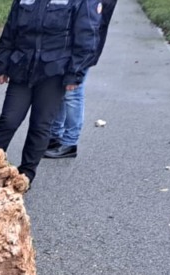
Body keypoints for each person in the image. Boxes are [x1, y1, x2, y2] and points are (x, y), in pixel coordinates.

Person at [0, 0, 99, 185]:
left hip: (54, 72)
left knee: (40, 126)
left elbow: (86, 36)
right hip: (22, 68)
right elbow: (10, 31)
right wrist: (1, 64)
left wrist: (75, 73)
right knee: (8, 120)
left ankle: (26, 175)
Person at [45, 0, 117, 159]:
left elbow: (91, 28)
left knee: (73, 93)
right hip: (68, 45)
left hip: (82, 48)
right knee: (61, 91)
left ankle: (69, 142)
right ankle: (55, 136)